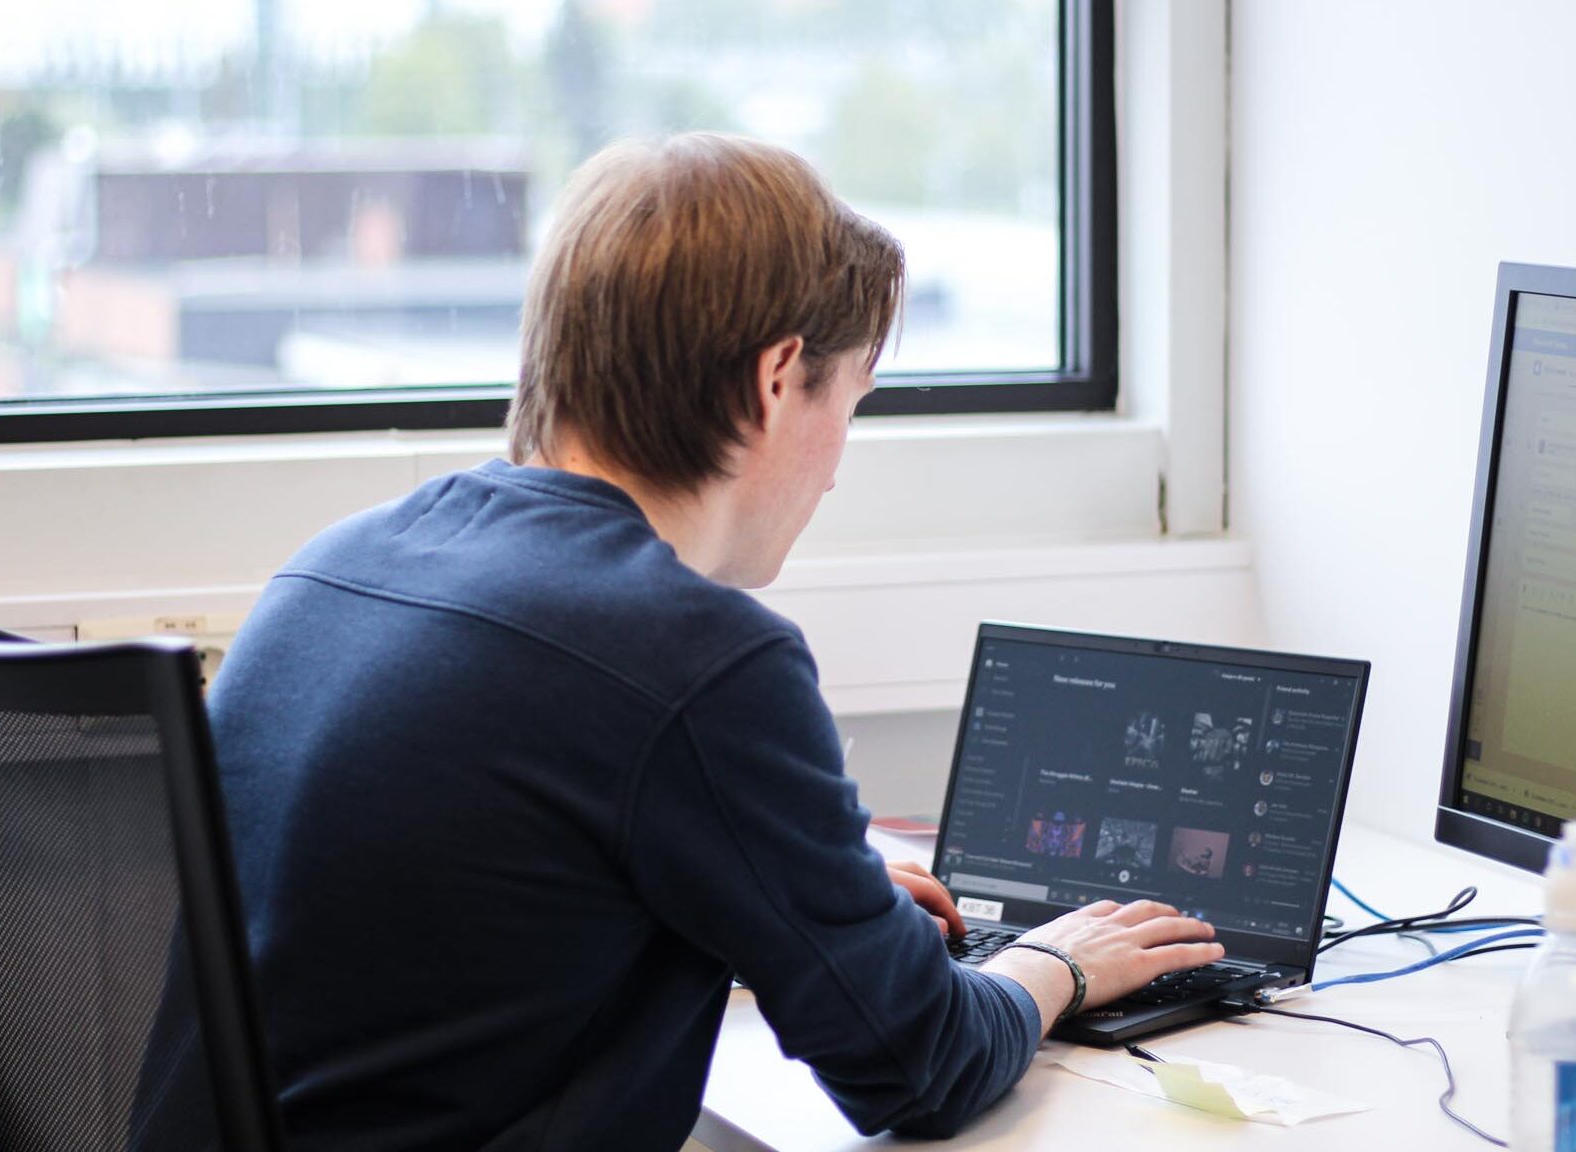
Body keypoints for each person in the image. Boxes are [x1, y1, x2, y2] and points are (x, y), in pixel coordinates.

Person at [200, 133, 1222, 1150]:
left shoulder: (334, 567)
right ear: (779, 378)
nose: (832, 473)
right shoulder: (697, 660)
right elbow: (918, 1069)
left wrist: (800, 893)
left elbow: (475, 920)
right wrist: (1056, 963)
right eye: (849, 404)